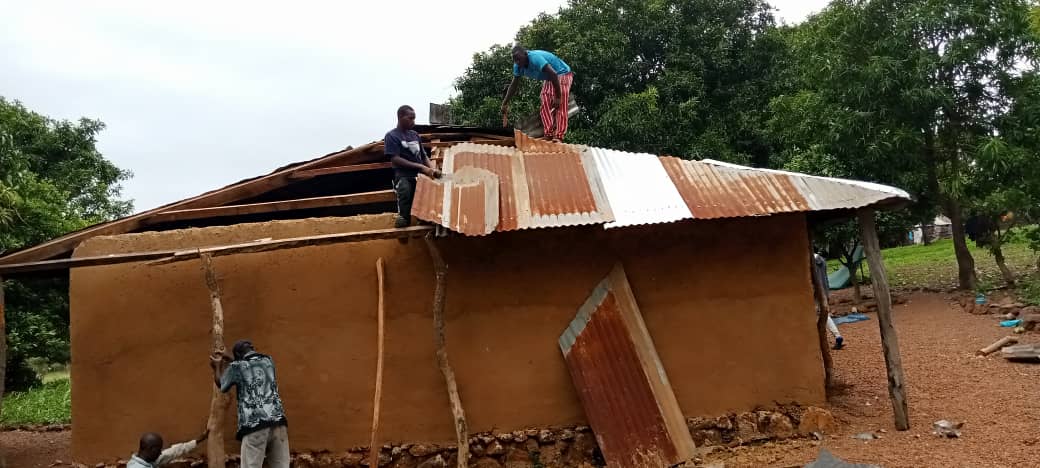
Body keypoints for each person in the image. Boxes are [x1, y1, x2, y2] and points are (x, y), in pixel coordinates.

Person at [211, 339, 290, 468]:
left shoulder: (236, 367)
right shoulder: (268, 361)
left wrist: (217, 366)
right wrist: (229, 357)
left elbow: (222, 384)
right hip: (279, 424)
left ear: (237, 355)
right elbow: (247, 366)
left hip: (255, 426)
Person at [501, 44, 574, 142]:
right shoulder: (517, 67)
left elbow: (553, 74)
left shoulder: (535, 58)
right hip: (549, 77)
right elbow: (513, 85)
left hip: (562, 73)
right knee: (545, 101)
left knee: (560, 104)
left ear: (525, 54)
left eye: (519, 59)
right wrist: (505, 103)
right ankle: (548, 134)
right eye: (515, 60)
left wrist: (558, 96)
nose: (518, 62)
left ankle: (559, 136)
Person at [385, 105, 442, 228]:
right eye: (410, 118)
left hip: (419, 176)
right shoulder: (391, 136)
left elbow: (423, 156)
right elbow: (395, 159)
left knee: (428, 193)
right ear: (400, 117)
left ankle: (425, 220)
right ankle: (403, 220)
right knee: (405, 190)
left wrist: (432, 169)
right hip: (403, 176)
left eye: (414, 118)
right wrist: (421, 167)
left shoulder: (415, 135)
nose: (413, 121)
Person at [814, 252, 845, 350]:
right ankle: (837, 336)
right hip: (824, 290)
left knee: (813, 314)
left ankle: (816, 342)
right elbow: (825, 278)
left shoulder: (810, 261)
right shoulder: (822, 260)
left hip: (814, 292)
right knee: (825, 314)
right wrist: (827, 292)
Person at [127, 430, 208, 468]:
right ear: (151, 449)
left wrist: (197, 441)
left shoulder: (147, 461)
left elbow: (172, 452)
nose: (160, 453)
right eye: (159, 450)